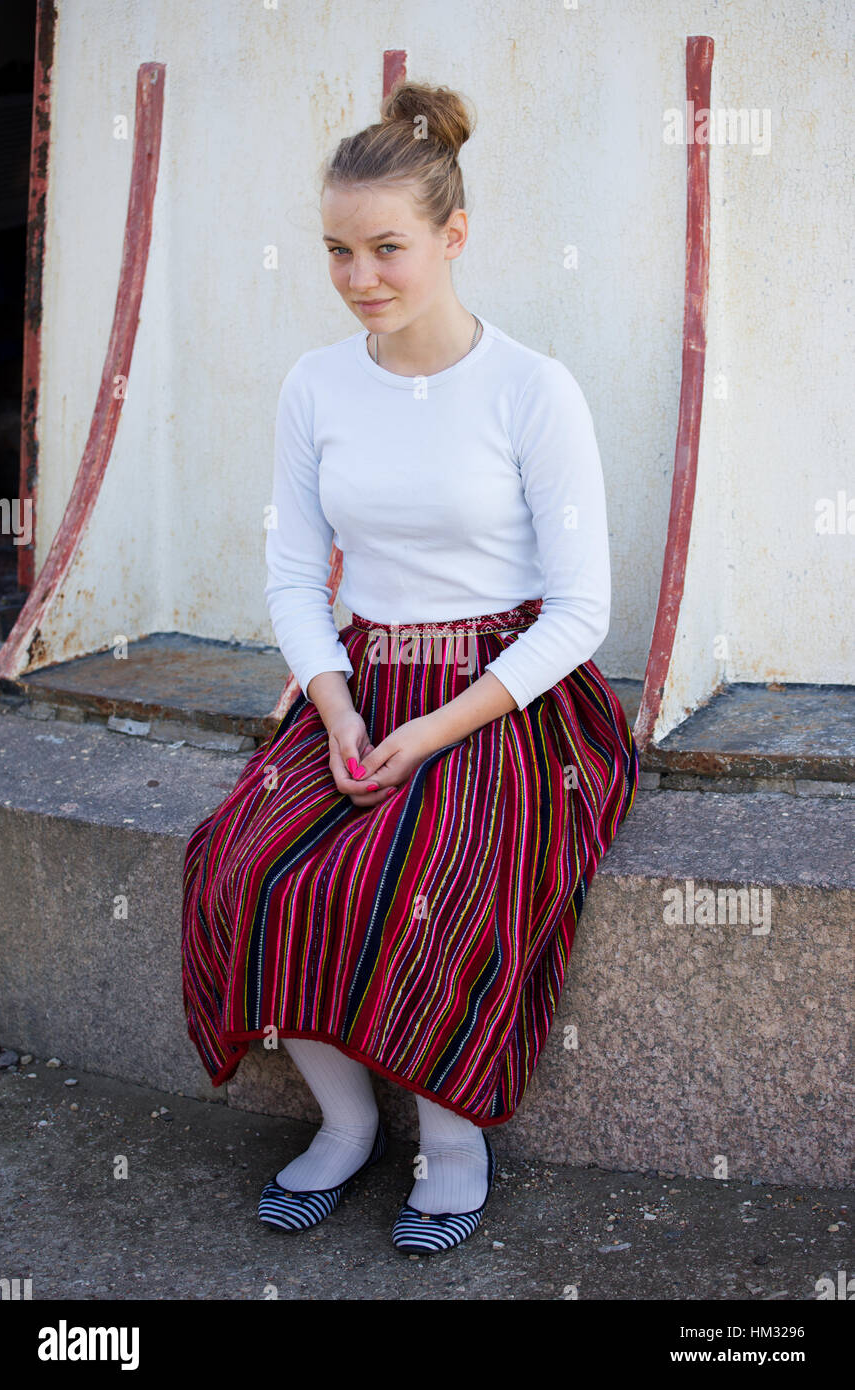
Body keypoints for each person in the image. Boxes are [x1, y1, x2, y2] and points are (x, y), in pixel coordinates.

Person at [181, 79, 639, 1256]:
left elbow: (585, 612)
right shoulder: (316, 385)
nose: (360, 276)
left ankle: (452, 1140)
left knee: (433, 884)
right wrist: (333, 700)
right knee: (240, 868)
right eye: (338, 250)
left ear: (454, 235)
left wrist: (432, 733)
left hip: (509, 698)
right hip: (361, 678)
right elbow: (293, 578)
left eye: (388, 247)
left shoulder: (533, 389)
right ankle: (345, 1126)